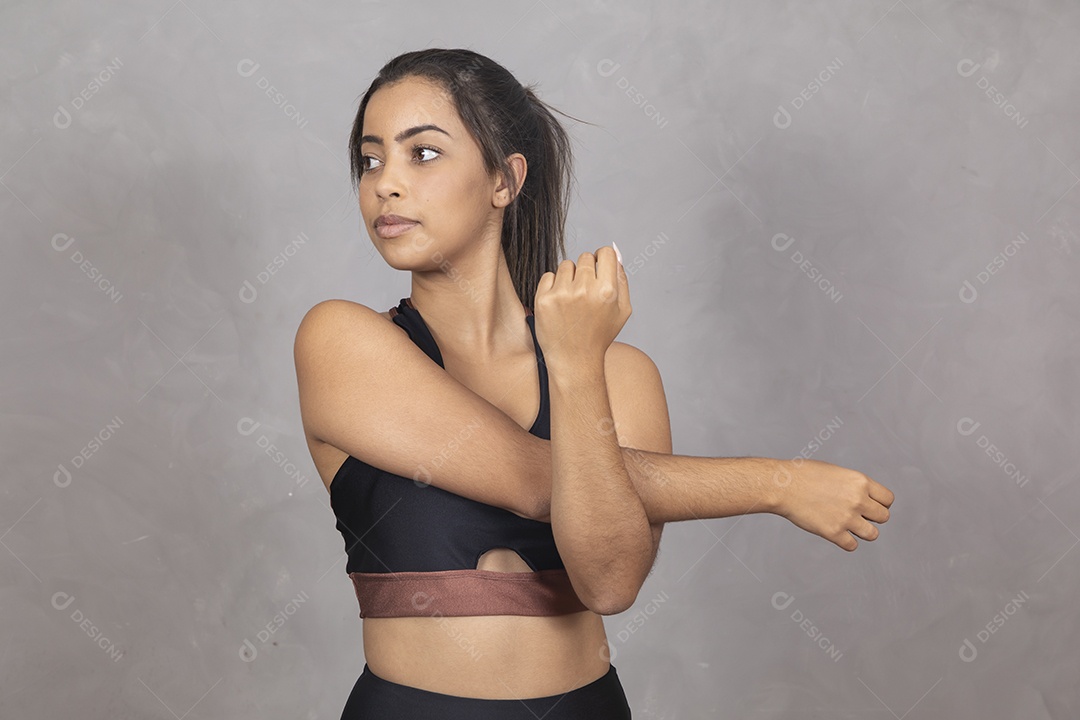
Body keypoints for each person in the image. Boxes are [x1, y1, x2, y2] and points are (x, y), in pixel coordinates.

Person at [293, 47, 894, 719]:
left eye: (422, 154)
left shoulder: (619, 372)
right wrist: (777, 484)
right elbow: (530, 480)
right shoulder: (339, 341)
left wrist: (576, 368)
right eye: (371, 159)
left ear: (504, 180)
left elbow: (609, 583)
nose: (385, 184)